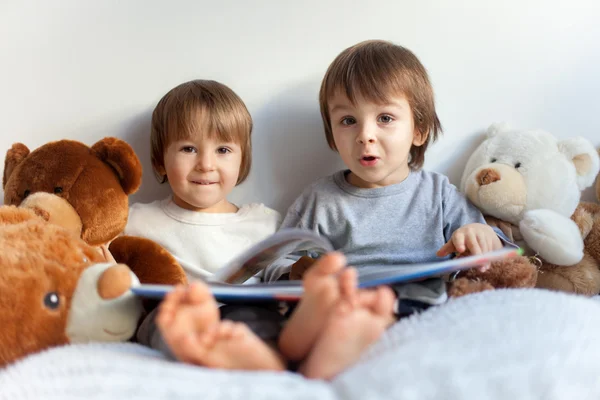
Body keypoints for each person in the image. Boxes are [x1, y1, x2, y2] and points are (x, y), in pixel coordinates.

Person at [125, 79, 396, 380]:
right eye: (189, 148)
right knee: (161, 324)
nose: (206, 164)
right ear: (159, 161)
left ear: (242, 162)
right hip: (181, 313)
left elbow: (278, 277)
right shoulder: (137, 220)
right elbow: (100, 264)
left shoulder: (264, 223)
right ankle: (237, 355)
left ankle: (311, 343)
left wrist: (301, 272)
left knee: (266, 321)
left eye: (223, 150)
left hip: (246, 313)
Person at [275, 39, 514, 352]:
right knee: (307, 327)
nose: (365, 135)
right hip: (348, 311)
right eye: (348, 121)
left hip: (421, 310)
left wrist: (480, 234)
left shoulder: (438, 193)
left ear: (419, 130)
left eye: (385, 118)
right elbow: (275, 264)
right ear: (332, 134)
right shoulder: (320, 199)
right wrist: (295, 272)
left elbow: (494, 256)